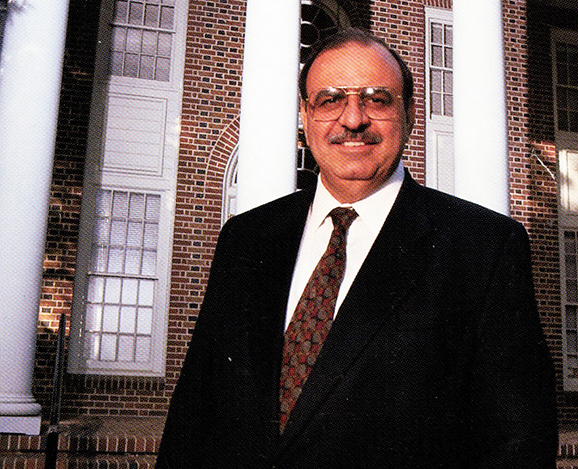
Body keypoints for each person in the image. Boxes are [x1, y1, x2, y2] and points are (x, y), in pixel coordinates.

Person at [157, 28, 557, 468]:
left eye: (377, 99)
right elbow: (194, 414)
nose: (353, 119)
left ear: (408, 113)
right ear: (305, 117)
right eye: (330, 100)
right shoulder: (247, 238)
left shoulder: (482, 247)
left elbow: (519, 440)